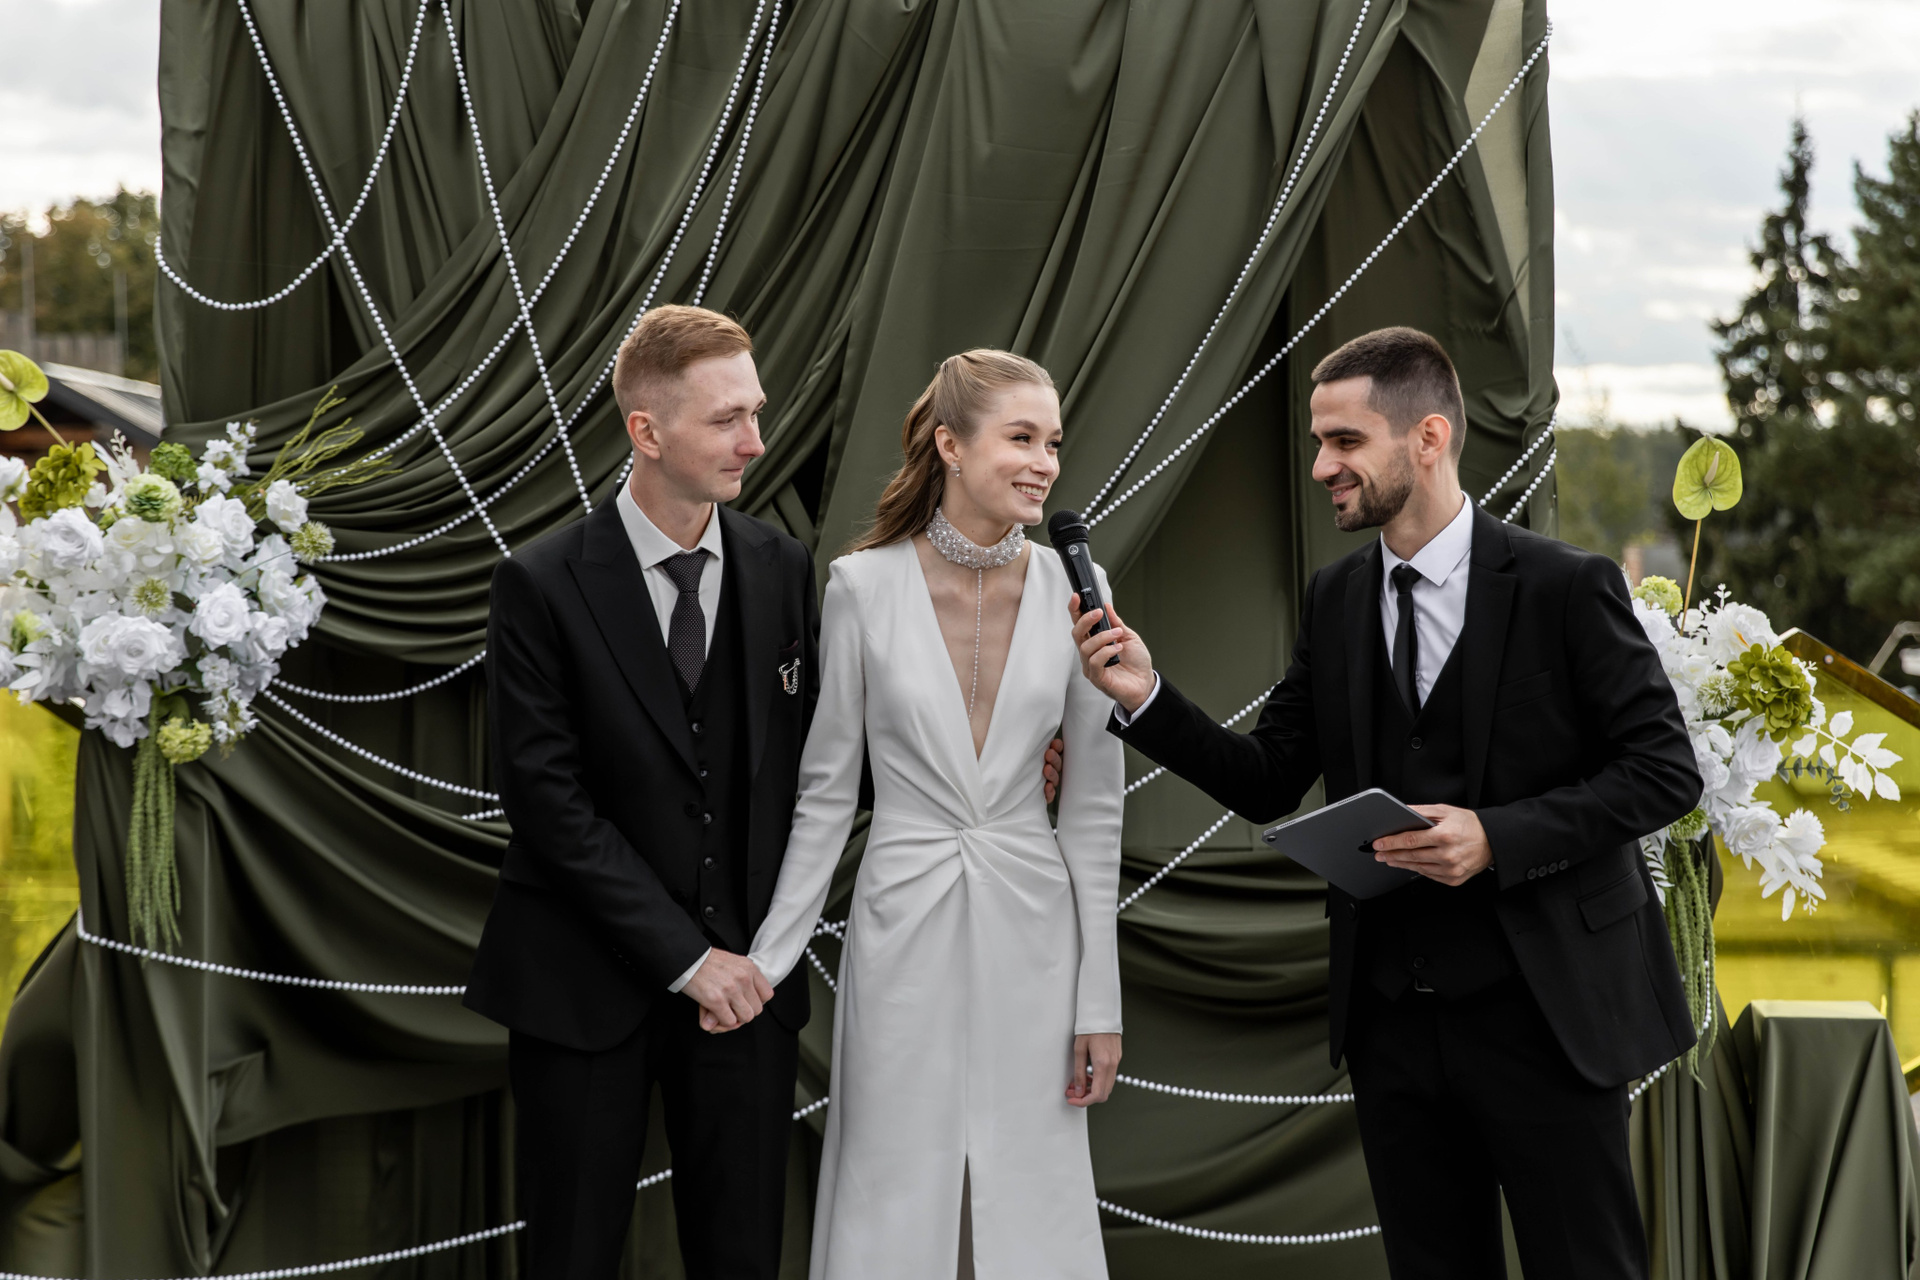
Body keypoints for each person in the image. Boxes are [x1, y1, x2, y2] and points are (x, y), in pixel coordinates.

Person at [1069, 327, 1703, 1279]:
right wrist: (1147, 699)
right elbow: (1266, 777)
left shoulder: (1565, 586)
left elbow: (1662, 770)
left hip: (1549, 1014)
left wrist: (1497, 836)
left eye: (1346, 441)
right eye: (1318, 442)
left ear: (1429, 438)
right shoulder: (1335, 599)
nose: (1321, 465)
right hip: (1394, 1023)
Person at [747, 350, 1125, 1279]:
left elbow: (1092, 809)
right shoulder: (860, 587)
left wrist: (1099, 1001)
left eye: (1054, 443)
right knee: (895, 1183)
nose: (1045, 463)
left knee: (1029, 1193)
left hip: (1036, 935)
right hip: (900, 924)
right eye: (1022, 438)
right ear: (951, 446)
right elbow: (826, 793)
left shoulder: (1080, 590)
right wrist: (769, 961)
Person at [464, 306, 820, 1279]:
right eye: (726, 419)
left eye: (755, 411)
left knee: (742, 1260)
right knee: (571, 1260)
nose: (755, 440)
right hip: (581, 985)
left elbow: (819, 757)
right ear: (647, 432)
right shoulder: (538, 583)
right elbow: (547, 803)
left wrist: (1008, 760)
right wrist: (687, 958)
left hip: (749, 990)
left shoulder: (783, 567)